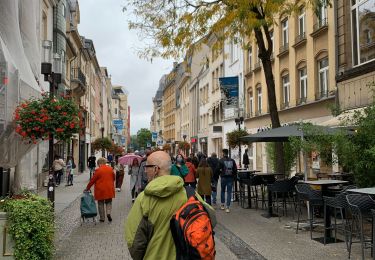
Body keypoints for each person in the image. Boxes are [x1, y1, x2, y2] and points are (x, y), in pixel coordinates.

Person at [125, 151, 216, 260]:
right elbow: (212, 219)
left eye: (147, 167)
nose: (145, 170)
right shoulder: (189, 194)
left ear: (155, 169)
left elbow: (134, 243)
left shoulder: (143, 199)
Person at [84, 157, 115, 222]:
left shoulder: (98, 170)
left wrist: (87, 188)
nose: (97, 165)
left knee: (100, 203)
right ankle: (108, 213)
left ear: (100, 163)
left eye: (98, 163)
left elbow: (92, 180)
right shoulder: (110, 169)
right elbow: (114, 177)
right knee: (109, 202)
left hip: (100, 189)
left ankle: (102, 218)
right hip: (109, 188)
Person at [217, 148, 237, 213]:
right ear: (228, 153)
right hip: (230, 178)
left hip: (223, 178)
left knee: (222, 191)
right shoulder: (232, 160)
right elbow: (235, 170)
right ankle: (227, 207)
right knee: (229, 192)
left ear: (223, 153)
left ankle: (222, 205)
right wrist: (234, 177)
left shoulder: (221, 160)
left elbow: (218, 169)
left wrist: (220, 174)